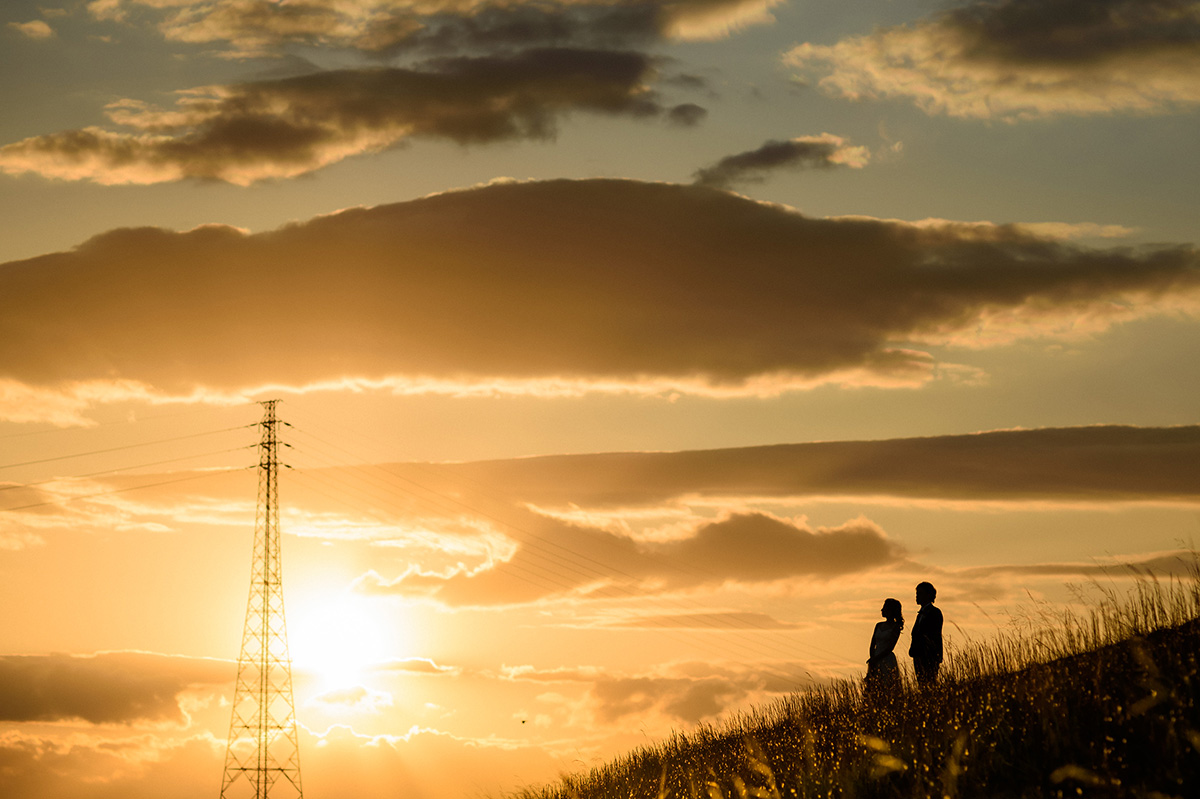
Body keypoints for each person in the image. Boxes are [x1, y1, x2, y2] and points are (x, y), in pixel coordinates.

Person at [865, 598, 903, 696]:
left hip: (887, 659)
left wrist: (876, 658)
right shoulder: (878, 625)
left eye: (884, 608)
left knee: (887, 685)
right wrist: (872, 658)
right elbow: (872, 644)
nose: (882, 610)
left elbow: (890, 647)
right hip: (875, 657)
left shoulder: (896, 627)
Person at [909, 581, 943, 687]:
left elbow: (934, 634)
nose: (917, 596)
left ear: (929, 595)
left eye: (920, 594)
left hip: (929, 655)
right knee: (922, 684)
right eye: (917, 594)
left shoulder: (935, 612)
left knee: (930, 683)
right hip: (918, 654)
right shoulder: (920, 614)